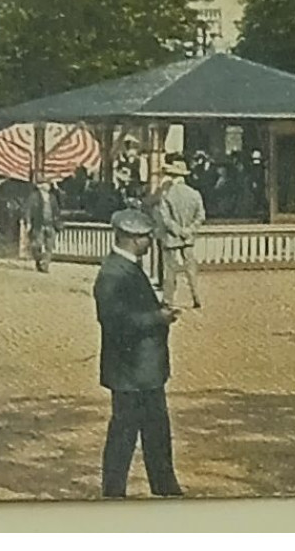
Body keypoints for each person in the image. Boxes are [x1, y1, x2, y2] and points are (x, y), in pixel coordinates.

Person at [94, 208, 184, 499]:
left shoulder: (126, 268)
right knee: (124, 434)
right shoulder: (112, 274)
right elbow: (116, 321)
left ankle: (164, 486)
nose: (149, 240)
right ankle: (113, 493)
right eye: (146, 236)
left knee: (156, 432)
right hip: (130, 371)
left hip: (143, 370)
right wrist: (158, 318)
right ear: (132, 238)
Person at [153, 159, 206, 309]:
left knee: (170, 269)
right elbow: (201, 215)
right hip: (188, 237)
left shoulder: (167, 195)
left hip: (172, 237)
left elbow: (165, 218)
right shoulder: (195, 194)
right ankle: (196, 296)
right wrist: (189, 230)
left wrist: (177, 230)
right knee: (191, 267)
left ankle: (168, 299)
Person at [27, 178, 62, 274]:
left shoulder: (53, 197)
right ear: (40, 186)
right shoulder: (34, 197)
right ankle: (39, 260)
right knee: (36, 245)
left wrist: (57, 188)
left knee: (49, 246)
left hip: (51, 224)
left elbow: (61, 202)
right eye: (46, 183)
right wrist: (28, 222)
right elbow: (28, 210)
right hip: (39, 224)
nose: (49, 185)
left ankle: (45, 265)